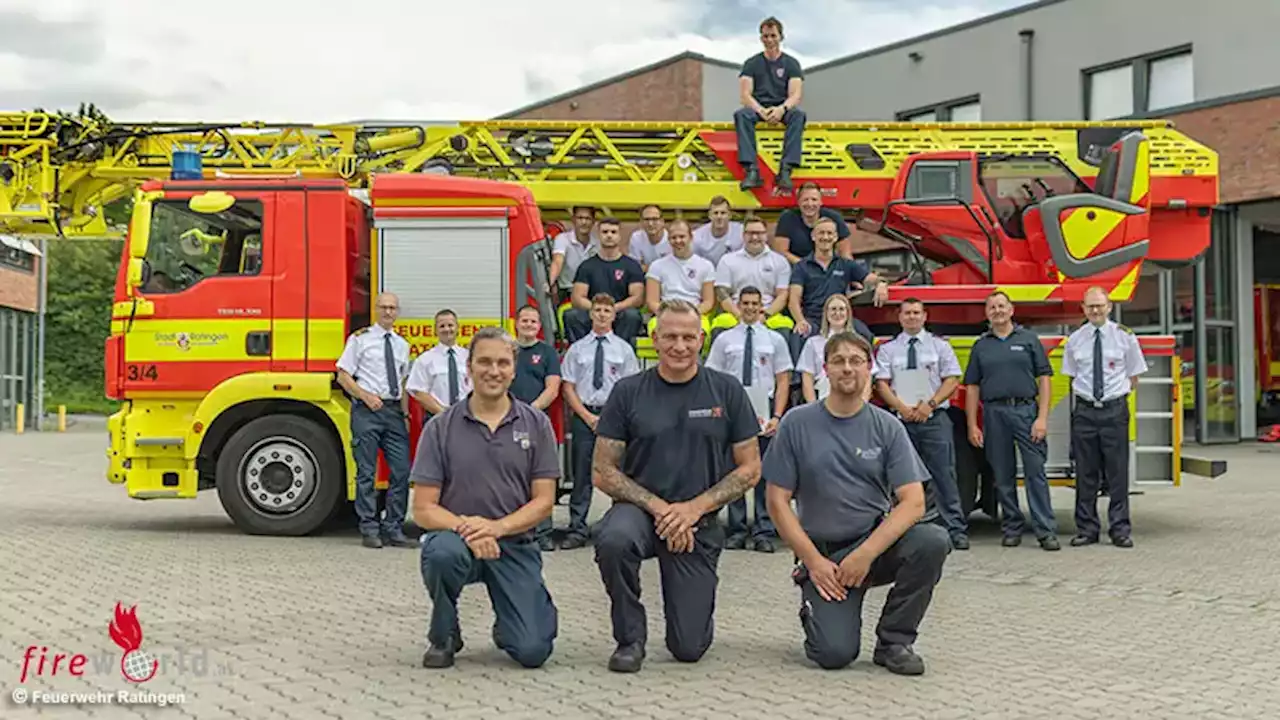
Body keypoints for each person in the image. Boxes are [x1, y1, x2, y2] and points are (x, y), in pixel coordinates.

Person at [763, 331, 950, 674]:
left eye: (856, 361)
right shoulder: (796, 423)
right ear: (825, 369)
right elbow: (777, 501)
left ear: (869, 369)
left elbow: (913, 502)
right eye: (839, 361)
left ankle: (895, 642)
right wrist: (814, 561)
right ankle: (814, 603)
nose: (847, 368)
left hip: (872, 548)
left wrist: (865, 555)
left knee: (933, 541)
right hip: (823, 556)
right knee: (834, 654)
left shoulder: (888, 427)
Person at [591, 299, 762, 673]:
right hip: (639, 513)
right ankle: (630, 639)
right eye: (670, 337)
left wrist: (693, 510)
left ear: (701, 339)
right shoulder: (628, 391)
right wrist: (662, 509)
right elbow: (603, 471)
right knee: (613, 539)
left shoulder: (727, 390)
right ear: (654, 338)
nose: (679, 346)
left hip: (698, 519)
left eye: (688, 337)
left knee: (688, 648)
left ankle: (694, 611)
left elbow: (750, 469)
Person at [410, 326, 561, 669]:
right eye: (485, 362)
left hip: (515, 544)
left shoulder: (536, 424)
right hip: (459, 541)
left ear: (513, 369)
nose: (494, 371)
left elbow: (544, 501)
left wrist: (497, 528)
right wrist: (471, 530)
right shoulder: (441, 427)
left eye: (503, 363)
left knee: (533, 651)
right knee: (441, 554)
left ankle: (512, 623)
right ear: (470, 367)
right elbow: (423, 509)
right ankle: (444, 634)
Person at [962, 291, 1060, 551]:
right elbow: (971, 386)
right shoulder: (981, 345)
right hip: (995, 414)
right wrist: (973, 424)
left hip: (1026, 412)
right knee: (1003, 476)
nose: (997, 311)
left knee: (1035, 473)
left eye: (1001, 306)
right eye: (992, 307)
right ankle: (1012, 528)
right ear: (987, 313)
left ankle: (1045, 531)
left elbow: (1045, 379)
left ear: (1011, 310)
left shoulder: (1029, 340)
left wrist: (1042, 418)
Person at [874, 298, 969, 550]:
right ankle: (897, 530)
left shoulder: (940, 346)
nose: (912, 317)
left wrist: (931, 404)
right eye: (907, 313)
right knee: (899, 477)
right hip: (901, 422)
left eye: (917, 313)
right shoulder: (888, 349)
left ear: (925, 316)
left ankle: (955, 529)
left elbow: (952, 379)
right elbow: (881, 383)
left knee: (944, 474)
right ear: (900, 316)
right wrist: (902, 408)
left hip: (934, 419)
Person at [703, 286, 791, 553]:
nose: (751, 308)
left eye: (755, 303)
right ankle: (738, 528)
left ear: (762, 305)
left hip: (764, 414)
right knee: (735, 473)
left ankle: (763, 529)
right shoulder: (724, 340)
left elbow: (783, 379)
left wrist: (778, 416)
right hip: (733, 414)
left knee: (763, 474)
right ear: (738, 306)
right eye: (746, 303)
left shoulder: (775, 340)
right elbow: (713, 378)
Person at [1061, 286, 1148, 548]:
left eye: (1100, 305)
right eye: (1090, 306)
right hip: (1086, 411)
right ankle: (1087, 529)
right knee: (1085, 473)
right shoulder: (1075, 339)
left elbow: (1134, 377)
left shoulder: (1124, 337)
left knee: (1117, 473)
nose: (1095, 310)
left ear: (1109, 306)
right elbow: (1073, 375)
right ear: (1083, 309)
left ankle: (1120, 529)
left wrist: (1114, 400)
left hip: (1113, 410)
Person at [335, 292, 416, 549]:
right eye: (384, 307)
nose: (388, 312)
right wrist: (365, 396)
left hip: (393, 412)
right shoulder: (360, 340)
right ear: (376, 309)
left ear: (397, 311)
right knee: (367, 473)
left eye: (392, 308)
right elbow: (343, 376)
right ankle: (369, 528)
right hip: (367, 412)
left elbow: (403, 384)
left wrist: (404, 415)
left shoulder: (402, 345)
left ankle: (393, 528)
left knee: (402, 472)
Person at [560, 294, 641, 550]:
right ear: (591, 314)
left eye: (607, 310)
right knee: (582, 475)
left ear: (614, 315)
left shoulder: (624, 350)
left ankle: (619, 527)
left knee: (617, 475)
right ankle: (577, 528)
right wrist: (586, 415)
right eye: (598, 310)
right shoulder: (577, 349)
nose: (603, 314)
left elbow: (630, 389)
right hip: (585, 416)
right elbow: (568, 387)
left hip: (614, 418)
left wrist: (610, 417)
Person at [511, 305, 564, 552]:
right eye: (525, 321)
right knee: (511, 477)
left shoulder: (547, 353)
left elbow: (553, 388)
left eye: (533, 321)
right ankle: (515, 531)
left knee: (542, 477)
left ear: (539, 326)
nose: (529, 325)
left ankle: (543, 533)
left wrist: (530, 411)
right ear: (516, 323)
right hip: (507, 422)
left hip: (538, 422)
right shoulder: (508, 350)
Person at [787, 217, 886, 345]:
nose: (825, 237)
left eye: (829, 233)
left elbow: (873, 279)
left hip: (840, 317)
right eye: (821, 233)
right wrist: (800, 321)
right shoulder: (801, 267)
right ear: (813, 236)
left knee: (867, 337)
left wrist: (881, 284)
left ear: (835, 237)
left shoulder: (846, 264)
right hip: (814, 320)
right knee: (797, 338)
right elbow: (793, 301)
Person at [735, 16, 806, 192]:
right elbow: (745, 95)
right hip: (758, 107)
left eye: (773, 36)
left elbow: (796, 95)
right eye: (765, 36)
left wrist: (782, 109)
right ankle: (751, 170)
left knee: (798, 115)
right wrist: (760, 110)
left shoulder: (791, 64)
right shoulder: (751, 64)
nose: (769, 40)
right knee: (741, 115)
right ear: (761, 38)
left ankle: (785, 171)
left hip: (782, 106)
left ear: (781, 37)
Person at [563, 217, 645, 344]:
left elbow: (637, 298)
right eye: (605, 232)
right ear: (599, 235)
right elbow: (577, 298)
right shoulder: (587, 266)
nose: (609, 236)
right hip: (592, 312)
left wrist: (613, 309)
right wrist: (598, 309)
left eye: (613, 232)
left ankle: (620, 351)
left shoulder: (632, 266)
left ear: (620, 235)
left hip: (619, 312)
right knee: (571, 315)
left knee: (632, 315)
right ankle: (581, 351)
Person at [711, 216, 793, 339]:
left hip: (768, 313)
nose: (755, 237)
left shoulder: (780, 261)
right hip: (735, 313)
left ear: (766, 235)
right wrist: (739, 316)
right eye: (750, 233)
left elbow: (782, 295)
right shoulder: (727, 260)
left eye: (759, 233)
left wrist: (765, 316)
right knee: (719, 326)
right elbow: (722, 294)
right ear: (743, 235)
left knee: (785, 327)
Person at [644, 219, 715, 336]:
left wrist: (691, 314)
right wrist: (669, 314)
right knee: (654, 328)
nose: (678, 241)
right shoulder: (656, 266)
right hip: (665, 313)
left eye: (682, 237)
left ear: (691, 237)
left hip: (695, 313)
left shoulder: (706, 266)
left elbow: (708, 302)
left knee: (703, 330)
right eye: (673, 237)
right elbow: (652, 301)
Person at [406, 309, 472, 419]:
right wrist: (443, 413)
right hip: (436, 417)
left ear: (457, 328)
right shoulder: (425, 359)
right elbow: (418, 392)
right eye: (442, 326)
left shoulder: (469, 358)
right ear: (435, 330)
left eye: (450, 325)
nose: (447, 329)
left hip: (467, 416)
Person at [772, 182, 853, 264]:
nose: (810, 204)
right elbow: (781, 252)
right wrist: (806, 267)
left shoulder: (834, 218)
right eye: (805, 200)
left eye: (814, 199)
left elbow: (845, 254)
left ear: (821, 202)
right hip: (796, 267)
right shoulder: (787, 218)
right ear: (798, 202)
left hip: (828, 268)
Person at [549, 206, 599, 296]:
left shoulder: (597, 243)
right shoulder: (562, 239)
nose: (584, 222)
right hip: (566, 290)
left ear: (593, 222)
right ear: (573, 220)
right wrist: (550, 283)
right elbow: (557, 262)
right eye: (580, 218)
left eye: (588, 218)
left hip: (591, 291)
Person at [691, 196, 745, 266]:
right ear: (709, 215)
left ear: (730, 215)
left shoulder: (741, 232)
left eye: (723, 213)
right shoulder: (698, 236)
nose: (719, 217)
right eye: (715, 213)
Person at [626, 204, 670, 271]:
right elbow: (634, 267)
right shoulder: (636, 238)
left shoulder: (671, 239)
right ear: (641, 222)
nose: (650, 224)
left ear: (662, 221)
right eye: (646, 219)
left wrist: (645, 267)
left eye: (655, 219)